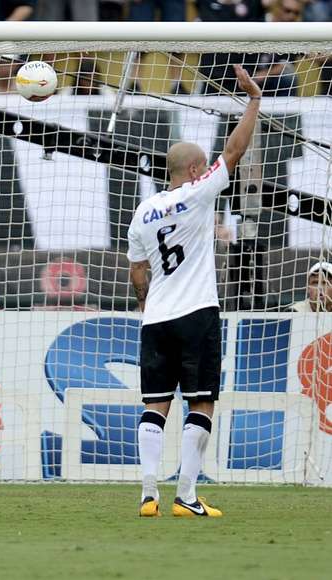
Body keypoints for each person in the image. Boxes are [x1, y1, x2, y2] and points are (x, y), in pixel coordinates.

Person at [127, 65, 262, 518]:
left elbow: (137, 270)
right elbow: (235, 149)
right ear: (193, 169)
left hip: (156, 317)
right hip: (197, 312)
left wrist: (147, 303)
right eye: (203, 166)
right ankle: (186, 496)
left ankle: (149, 494)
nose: (208, 170)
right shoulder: (201, 192)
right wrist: (254, 102)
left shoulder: (144, 211)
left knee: (155, 404)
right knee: (200, 400)